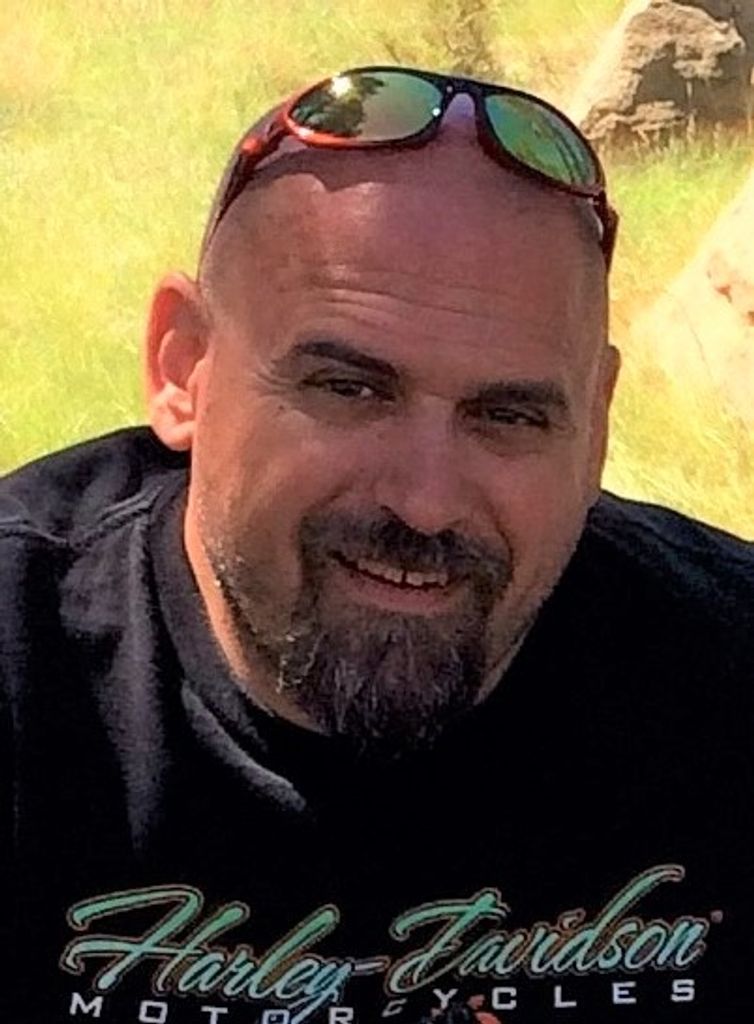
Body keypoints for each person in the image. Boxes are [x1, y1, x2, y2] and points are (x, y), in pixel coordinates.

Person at [0, 65, 752, 1024]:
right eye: (349, 390)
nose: (426, 502)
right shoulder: (24, 670)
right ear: (183, 367)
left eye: (508, 416)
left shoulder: (726, 681)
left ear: (596, 426)